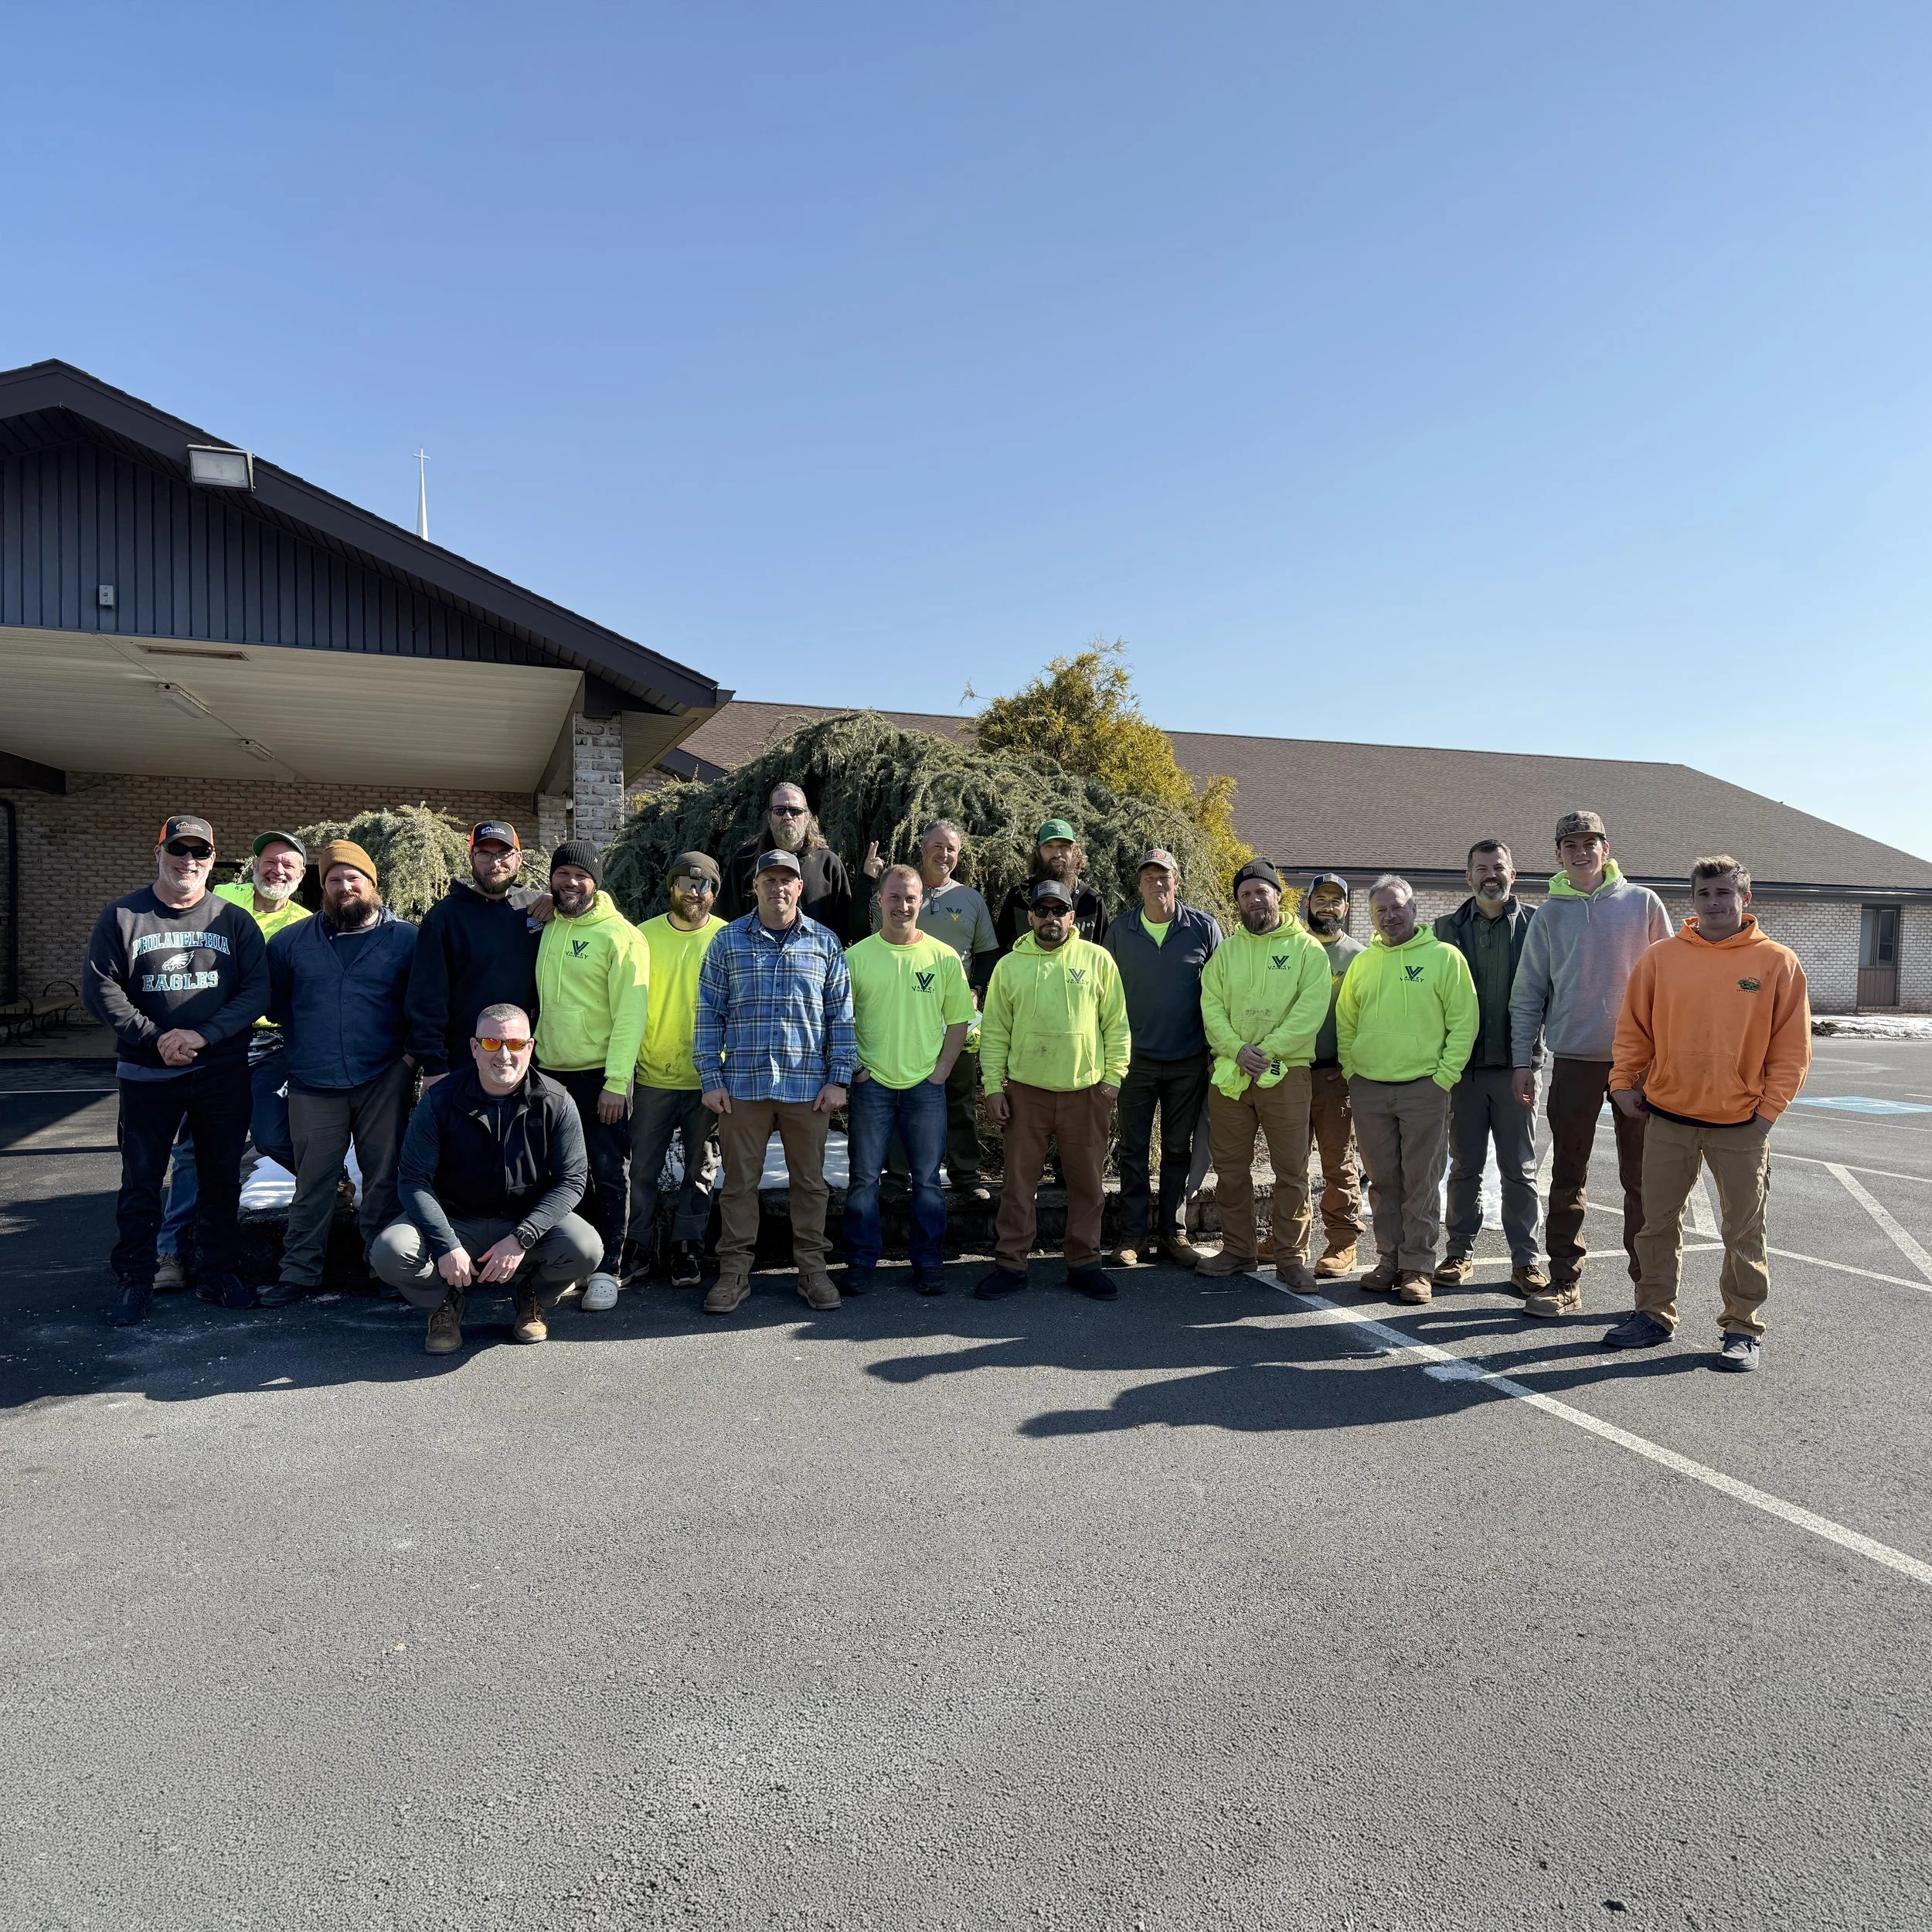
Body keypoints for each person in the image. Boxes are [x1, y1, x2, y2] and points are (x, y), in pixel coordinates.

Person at [1604, 858, 1811, 1371]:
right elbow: (1634, 1031)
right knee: (1657, 1225)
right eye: (1704, 894)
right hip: (1669, 1116)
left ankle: (1742, 1328)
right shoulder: (1661, 959)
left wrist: (1767, 1115)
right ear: (1691, 901)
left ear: (1746, 899)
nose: (1714, 903)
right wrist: (1623, 1083)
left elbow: (1792, 1050)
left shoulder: (1777, 963)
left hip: (1742, 1125)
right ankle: (1653, 1315)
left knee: (1744, 1230)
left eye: (1724, 893)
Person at [82, 814, 269, 1325]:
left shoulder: (233, 922)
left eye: (200, 854)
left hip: (220, 1073)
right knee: (141, 1182)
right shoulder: (122, 917)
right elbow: (100, 990)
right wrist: (156, 1037)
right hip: (146, 1074)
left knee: (220, 1178)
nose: (188, 862)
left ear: (212, 861)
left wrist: (202, 1035)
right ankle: (136, 1280)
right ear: (159, 853)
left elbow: (256, 989)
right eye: (179, 851)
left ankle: (216, 1274)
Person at [1509, 810, 1672, 1319]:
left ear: (1607, 847)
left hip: (1639, 1064)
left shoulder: (1643, 904)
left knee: (1644, 1179)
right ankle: (1564, 1283)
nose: (1581, 851)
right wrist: (1523, 1061)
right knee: (1566, 1177)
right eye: (1570, 844)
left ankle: (1650, 1292)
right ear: (1558, 854)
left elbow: (1673, 984)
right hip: (1575, 1062)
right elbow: (1528, 993)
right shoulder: (1550, 916)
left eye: (1590, 842)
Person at [371, 1005, 600, 1352]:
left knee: (585, 1249)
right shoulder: (440, 1100)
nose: (504, 1055)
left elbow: (572, 1180)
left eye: (515, 1044)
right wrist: (446, 1244)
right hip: (455, 1218)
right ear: (475, 1048)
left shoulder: (556, 1101)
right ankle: (442, 1304)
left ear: (530, 1048)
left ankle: (531, 1298)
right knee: (391, 1251)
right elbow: (414, 1180)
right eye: (492, 1044)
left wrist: (522, 1237)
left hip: (523, 1220)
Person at [695, 848, 855, 1315]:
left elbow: (840, 1017)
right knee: (739, 1184)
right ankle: (734, 1272)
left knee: (811, 1184)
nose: (778, 887)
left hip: (808, 1089)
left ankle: (813, 1269)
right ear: (756, 886)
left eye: (787, 879)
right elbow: (709, 1014)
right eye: (769, 879)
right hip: (742, 1088)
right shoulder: (728, 942)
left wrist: (839, 1078)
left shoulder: (825, 943)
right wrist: (711, 1077)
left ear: (799, 888)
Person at [260, 839, 419, 1307]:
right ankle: (299, 1272)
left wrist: (408, 1061)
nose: (343, 886)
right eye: (333, 879)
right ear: (322, 888)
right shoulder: (291, 942)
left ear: (372, 883)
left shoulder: (407, 939)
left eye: (354, 878)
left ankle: (384, 1267)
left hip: (384, 1077)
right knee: (313, 1181)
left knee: (383, 1177)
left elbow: (425, 1005)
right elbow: (275, 1003)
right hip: (313, 1079)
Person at [154, 830, 308, 1291]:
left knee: (269, 1131)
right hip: (212, 1042)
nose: (276, 870)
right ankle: (170, 1251)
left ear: (301, 878)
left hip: (269, 1043)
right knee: (189, 1150)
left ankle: (328, 1179)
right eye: (269, 860)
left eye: (288, 865)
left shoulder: (305, 925)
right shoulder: (222, 899)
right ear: (252, 865)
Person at [975, 878, 1131, 1301]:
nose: (1050, 918)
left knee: (1087, 1185)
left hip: (1086, 1091)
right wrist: (993, 1087)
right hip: (1027, 1092)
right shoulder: (1009, 965)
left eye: (1059, 910)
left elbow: (1116, 1025)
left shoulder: (1097, 960)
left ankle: (1084, 1263)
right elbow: (994, 1033)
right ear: (1030, 917)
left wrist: (1112, 1080)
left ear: (1072, 915)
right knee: (1019, 1185)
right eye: (1042, 910)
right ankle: (1011, 1264)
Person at [1335, 876, 1479, 1304]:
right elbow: (1347, 1021)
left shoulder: (1444, 957)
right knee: (1382, 1182)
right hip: (1370, 1089)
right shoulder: (1364, 962)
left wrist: (1443, 1077)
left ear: (1414, 910)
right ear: (1372, 916)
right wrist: (1352, 1070)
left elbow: (1463, 1022)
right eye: (1381, 910)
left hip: (1424, 1089)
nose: (1390, 916)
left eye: (1397, 907)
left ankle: (1418, 1267)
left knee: (1421, 1181)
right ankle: (1389, 1260)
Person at [1196, 859, 1332, 1287]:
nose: (1255, 899)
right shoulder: (1227, 951)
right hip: (1232, 1073)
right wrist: (1237, 1050)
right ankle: (1238, 1250)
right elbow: (1211, 1006)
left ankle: (1292, 1257)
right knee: (1231, 1168)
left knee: (1291, 1170)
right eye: (1245, 894)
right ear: (1237, 902)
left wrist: (1266, 1051)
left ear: (1278, 895)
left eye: (1262, 891)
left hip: (1286, 1073)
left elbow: (1310, 1011)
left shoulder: (1307, 949)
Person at [844, 865, 975, 1294]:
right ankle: (862, 1262)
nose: (903, 905)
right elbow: (841, 1021)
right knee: (864, 1179)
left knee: (928, 1181)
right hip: (872, 1085)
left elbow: (959, 1021)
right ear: (879, 900)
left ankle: (929, 1263)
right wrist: (857, 1070)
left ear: (922, 902)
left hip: (924, 1086)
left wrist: (940, 1073)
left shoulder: (942, 957)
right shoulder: (856, 958)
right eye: (895, 897)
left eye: (911, 898)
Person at [532, 840, 650, 1312]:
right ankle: (573, 1263)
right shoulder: (546, 925)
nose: (571, 883)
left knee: (606, 1173)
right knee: (561, 1172)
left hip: (600, 1075)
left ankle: (609, 1268)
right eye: (563, 874)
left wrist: (617, 1082)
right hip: (548, 1073)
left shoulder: (621, 936)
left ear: (596, 882)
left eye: (580, 876)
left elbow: (631, 1016)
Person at [859, 819, 1000, 1197]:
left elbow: (987, 952)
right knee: (901, 1094)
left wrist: (974, 990)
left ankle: (965, 1175)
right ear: (922, 849)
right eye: (937, 846)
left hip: (956, 1015)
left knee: (959, 1095)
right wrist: (869, 882)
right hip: (905, 1011)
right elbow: (870, 932)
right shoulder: (903, 891)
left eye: (952, 848)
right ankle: (896, 1175)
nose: (944, 854)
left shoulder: (971, 899)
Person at [1431, 842, 1547, 1296]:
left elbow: (1546, 993)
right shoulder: (1443, 930)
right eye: (1481, 869)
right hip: (1461, 1072)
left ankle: (1526, 1261)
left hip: (1517, 1069)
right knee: (1464, 1166)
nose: (1490, 876)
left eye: (1498, 867)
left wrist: (1533, 1059)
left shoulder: (1537, 925)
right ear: (1468, 877)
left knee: (1520, 1167)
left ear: (1513, 874)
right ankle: (1459, 1251)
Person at [1103, 849, 1223, 1268]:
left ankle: (1173, 1232)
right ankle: (1132, 1235)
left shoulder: (1204, 928)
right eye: (1149, 877)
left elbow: (1220, 992)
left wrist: (1214, 1054)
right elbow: (1105, 997)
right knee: (1133, 1149)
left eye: (1164, 876)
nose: (1157, 884)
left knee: (1176, 1149)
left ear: (1177, 881)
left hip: (1188, 1060)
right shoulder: (1120, 931)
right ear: (1139, 885)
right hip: (1134, 1062)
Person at [625, 851, 727, 1291]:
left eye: (704, 885)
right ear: (672, 886)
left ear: (714, 892)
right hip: (652, 1075)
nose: (694, 892)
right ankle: (637, 1248)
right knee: (640, 1170)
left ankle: (688, 1248)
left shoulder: (729, 938)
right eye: (686, 883)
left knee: (700, 1170)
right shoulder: (642, 937)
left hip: (709, 1079)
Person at [406, 821, 543, 1087]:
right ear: (472, 858)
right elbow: (426, 998)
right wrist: (434, 1066)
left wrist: (555, 902)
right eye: (484, 854)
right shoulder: (445, 917)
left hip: (529, 1064)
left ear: (519, 857)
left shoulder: (536, 909)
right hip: (464, 1066)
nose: (495, 863)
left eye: (504, 854)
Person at [1291, 872, 1366, 1279]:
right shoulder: (1292, 949)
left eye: (1336, 900)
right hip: (1288, 1072)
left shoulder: (1359, 956)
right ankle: (1291, 1239)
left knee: (1337, 1162)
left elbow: (1368, 1016)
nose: (1327, 905)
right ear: (1307, 904)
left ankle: (1342, 1242)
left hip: (1334, 1076)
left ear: (1347, 908)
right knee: (1291, 1162)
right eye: (1320, 898)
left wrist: (1351, 1065)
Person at [720, 782, 854, 936]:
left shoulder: (828, 863)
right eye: (779, 810)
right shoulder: (745, 860)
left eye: (795, 811)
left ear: (807, 816)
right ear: (769, 817)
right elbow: (726, 922)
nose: (787, 817)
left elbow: (843, 926)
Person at [993, 820, 1110, 953]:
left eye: (1064, 846)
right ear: (1037, 852)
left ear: (1075, 851)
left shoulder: (1091, 901)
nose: (1057, 854)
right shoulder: (1019, 897)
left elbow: (1106, 954)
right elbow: (1002, 953)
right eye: (1049, 846)